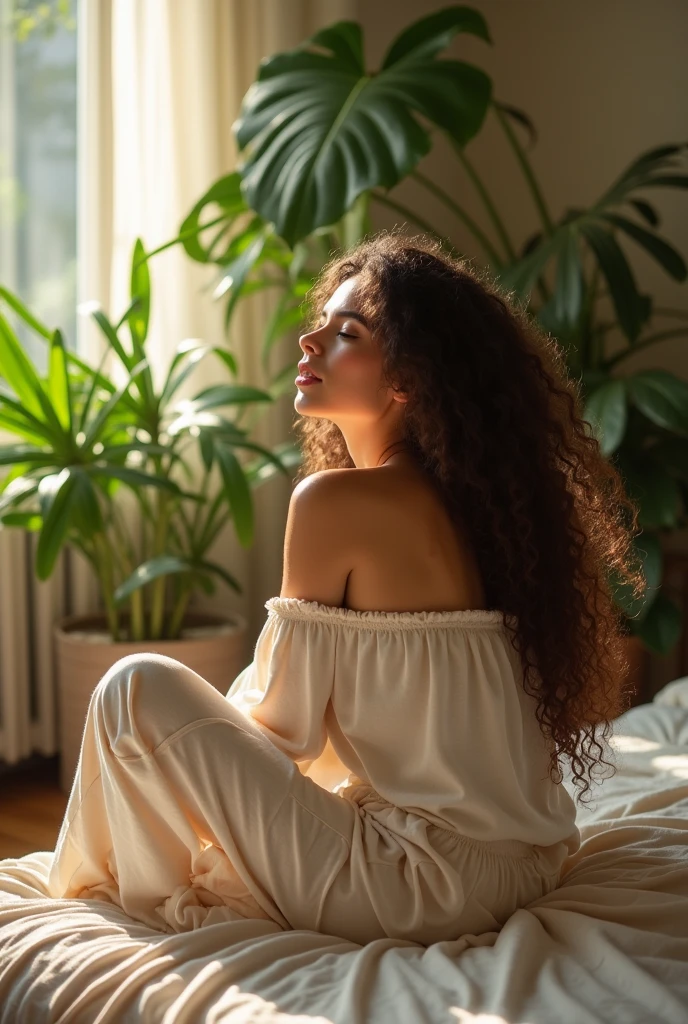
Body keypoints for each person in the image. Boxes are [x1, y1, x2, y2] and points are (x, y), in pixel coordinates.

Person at [47, 230, 646, 946]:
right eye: (319, 327)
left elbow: (284, 729)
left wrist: (196, 753)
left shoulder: (335, 503)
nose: (309, 343)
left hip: (417, 885)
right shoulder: (485, 512)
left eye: (345, 333)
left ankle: (79, 900)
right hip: (525, 864)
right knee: (171, 717)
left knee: (132, 690)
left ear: (409, 379)